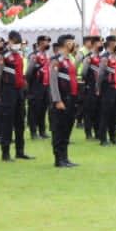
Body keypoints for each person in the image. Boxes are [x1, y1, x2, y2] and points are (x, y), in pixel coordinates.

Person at [0, 31, 33, 161]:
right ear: (8, 41)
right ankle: (5, 153)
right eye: (14, 42)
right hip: (7, 91)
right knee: (7, 123)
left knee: (20, 122)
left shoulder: (18, 55)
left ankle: (20, 151)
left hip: (19, 92)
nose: (17, 45)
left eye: (18, 43)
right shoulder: (3, 56)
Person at [48, 35, 80, 167]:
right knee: (59, 129)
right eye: (71, 42)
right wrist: (57, 100)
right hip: (62, 99)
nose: (74, 45)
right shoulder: (57, 60)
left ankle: (65, 157)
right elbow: (53, 82)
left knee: (67, 129)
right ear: (66, 44)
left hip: (71, 98)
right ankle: (58, 159)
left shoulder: (69, 59)